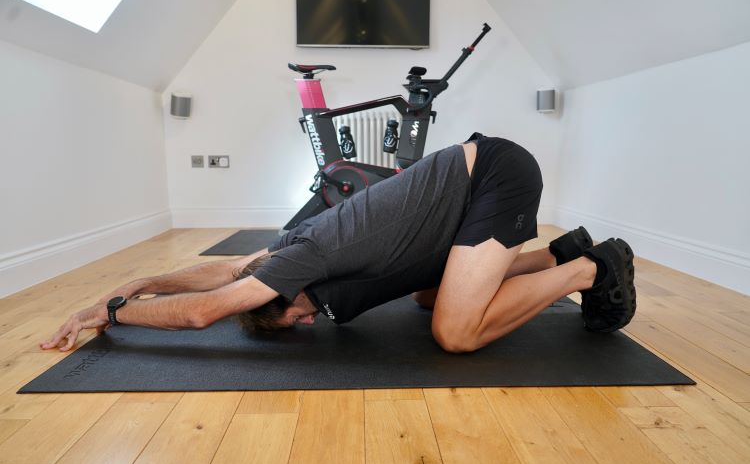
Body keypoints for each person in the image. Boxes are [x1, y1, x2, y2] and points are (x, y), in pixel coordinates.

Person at [41, 135, 636, 354]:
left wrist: (116, 313)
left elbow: (202, 311)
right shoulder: (281, 254)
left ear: (283, 293)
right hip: (464, 188)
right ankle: (556, 255)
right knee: (432, 298)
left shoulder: (303, 259)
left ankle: (587, 268)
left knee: (455, 333)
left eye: (292, 319)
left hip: (494, 175)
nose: (306, 324)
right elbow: (217, 277)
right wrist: (141, 282)